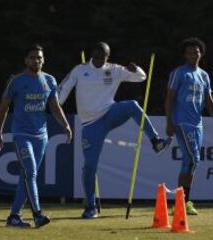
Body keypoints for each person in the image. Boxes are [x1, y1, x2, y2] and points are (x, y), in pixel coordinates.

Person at [58, 42, 171, 219]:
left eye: (103, 57)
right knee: (89, 165)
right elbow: (63, 90)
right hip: (90, 124)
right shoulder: (79, 70)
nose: (99, 60)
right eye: (96, 56)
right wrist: (55, 106)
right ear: (91, 55)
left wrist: (135, 69)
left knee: (132, 105)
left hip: (110, 113)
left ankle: (156, 141)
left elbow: (141, 77)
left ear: (107, 57)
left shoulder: (114, 69)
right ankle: (90, 207)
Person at [0, 44, 72, 228]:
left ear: (43, 60)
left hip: (41, 137)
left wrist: (66, 125)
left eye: (39, 57)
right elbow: (3, 107)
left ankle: (14, 217)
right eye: (32, 57)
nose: (36, 60)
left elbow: (54, 106)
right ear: (25, 60)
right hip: (22, 134)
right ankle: (38, 214)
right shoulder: (17, 81)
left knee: (27, 176)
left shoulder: (50, 80)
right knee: (30, 172)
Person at [165, 38, 213, 215]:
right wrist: (169, 122)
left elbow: (209, 100)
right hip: (182, 122)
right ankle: (183, 203)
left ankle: (181, 203)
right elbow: (170, 98)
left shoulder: (204, 75)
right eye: (190, 52)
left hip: (197, 124)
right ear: (184, 55)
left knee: (190, 162)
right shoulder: (179, 73)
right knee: (192, 159)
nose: (193, 54)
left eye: (196, 52)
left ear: (201, 54)